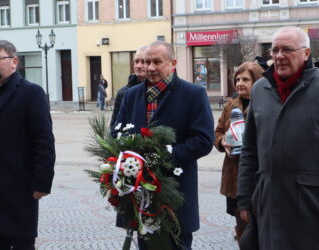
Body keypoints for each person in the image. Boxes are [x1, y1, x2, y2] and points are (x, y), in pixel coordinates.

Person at [114, 40, 214, 249]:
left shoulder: (193, 94)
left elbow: (203, 141)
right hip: (139, 195)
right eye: (147, 62)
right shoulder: (131, 95)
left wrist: (163, 156)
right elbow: (116, 133)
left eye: (157, 62)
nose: (150, 68)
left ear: (172, 63)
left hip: (176, 195)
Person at [0, 40, 55, 250]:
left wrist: (42, 182)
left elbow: (43, 140)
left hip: (19, 188)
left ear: (14, 61)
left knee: (23, 245)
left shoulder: (31, 93)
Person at [237, 26, 317, 249]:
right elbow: (249, 148)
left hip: (310, 203)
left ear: (306, 53)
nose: (279, 56)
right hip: (268, 200)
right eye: (275, 50)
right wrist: (244, 197)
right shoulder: (260, 89)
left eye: (287, 50)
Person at [214, 62, 264, 244]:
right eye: (237, 79)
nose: (240, 83)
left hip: (257, 175)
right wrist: (222, 141)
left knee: (261, 226)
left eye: (245, 79)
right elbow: (218, 131)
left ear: (257, 81)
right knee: (241, 224)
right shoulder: (231, 105)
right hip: (234, 176)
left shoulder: (265, 103)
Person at [110, 46, 147, 128]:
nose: (138, 66)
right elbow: (115, 126)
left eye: (143, 62)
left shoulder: (159, 90)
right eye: (136, 62)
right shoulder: (123, 93)